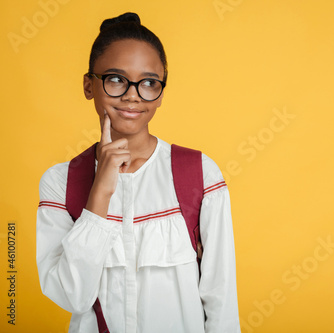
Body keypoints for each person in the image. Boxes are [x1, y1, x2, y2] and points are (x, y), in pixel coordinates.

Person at [36, 12, 241, 332]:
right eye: (116, 78)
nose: (133, 94)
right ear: (89, 85)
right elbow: (72, 297)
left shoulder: (198, 172)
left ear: (161, 91)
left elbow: (221, 298)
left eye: (148, 82)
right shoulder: (61, 182)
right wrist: (100, 191)